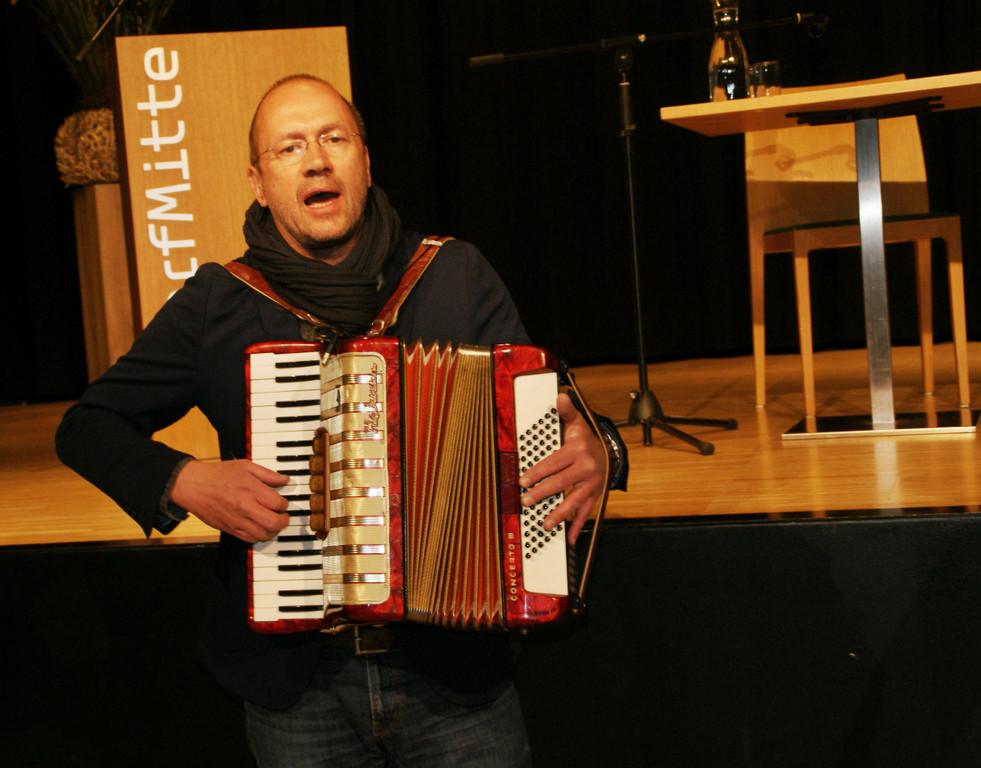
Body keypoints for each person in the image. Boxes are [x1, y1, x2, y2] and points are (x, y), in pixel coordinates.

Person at [56, 74, 626, 767]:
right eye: (289, 147)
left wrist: (600, 448)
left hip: (455, 674)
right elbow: (87, 425)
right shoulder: (218, 302)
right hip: (296, 688)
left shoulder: (454, 274)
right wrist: (184, 479)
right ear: (259, 183)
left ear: (364, 161)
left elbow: (559, 412)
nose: (316, 161)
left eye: (334, 139)